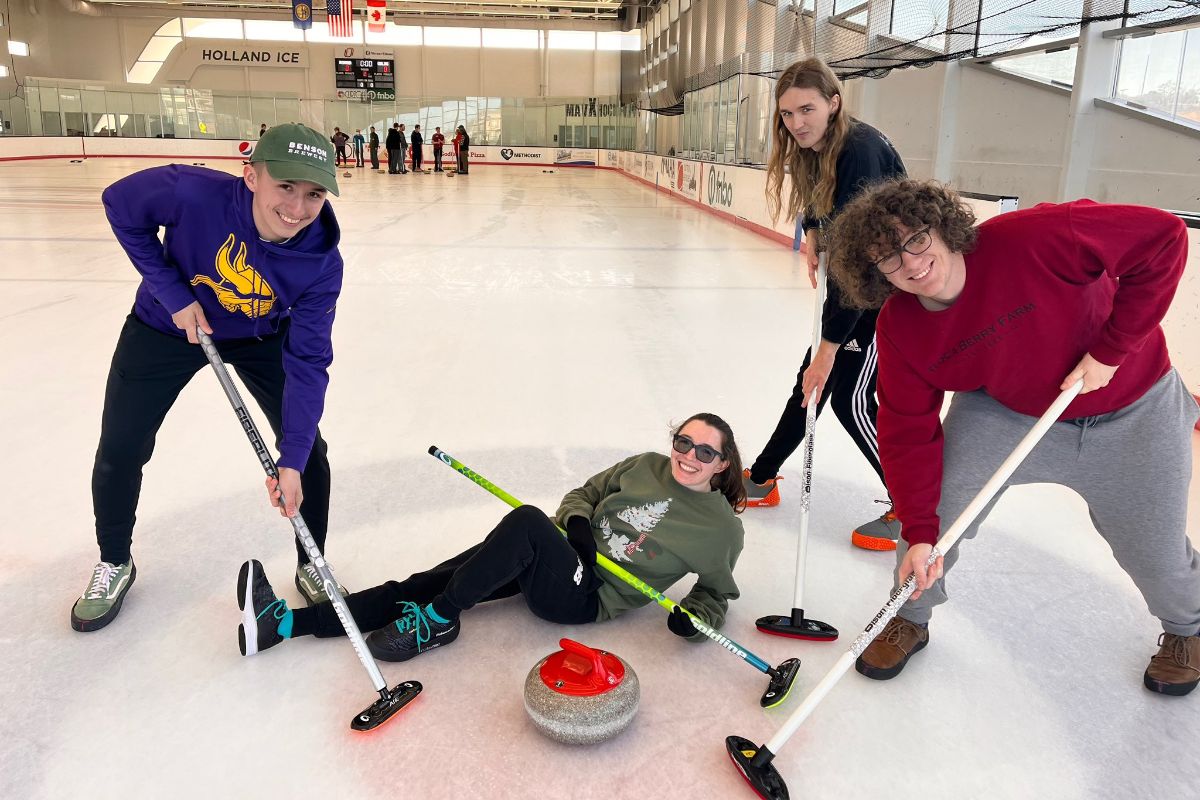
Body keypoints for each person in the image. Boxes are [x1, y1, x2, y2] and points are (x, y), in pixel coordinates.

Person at [826, 178, 1200, 696]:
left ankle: (1188, 630)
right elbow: (906, 430)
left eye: (915, 239)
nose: (911, 264)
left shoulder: (1035, 238)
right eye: (888, 260)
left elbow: (1162, 237)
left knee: (1154, 551)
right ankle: (909, 614)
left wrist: (1113, 349)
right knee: (937, 517)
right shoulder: (900, 327)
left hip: (1134, 408)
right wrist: (917, 528)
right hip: (1008, 412)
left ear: (942, 225)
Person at [72, 123, 347, 633]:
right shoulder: (190, 192)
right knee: (121, 448)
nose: (298, 208)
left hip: (261, 337)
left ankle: (313, 561)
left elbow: (309, 362)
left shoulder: (321, 263)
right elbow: (120, 204)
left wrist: (290, 458)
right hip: (165, 328)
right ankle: (115, 560)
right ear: (250, 176)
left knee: (309, 453)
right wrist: (173, 294)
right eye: (285, 187)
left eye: (313, 194)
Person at [236, 413, 748, 663]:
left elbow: (716, 592)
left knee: (525, 520)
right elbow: (584, 494)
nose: (689, 456)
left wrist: (697, 619)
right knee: (427, 582)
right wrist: (575, 525)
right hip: (555, 553)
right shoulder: (646, 465)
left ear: (723, 465)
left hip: (585, 594)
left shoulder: (721, 529)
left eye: (705, 453)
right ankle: (284, 627)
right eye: (684, 442)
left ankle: (439, 622)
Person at [742, 57, 907, 552]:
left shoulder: (860, 151)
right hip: (859, 285)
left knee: (849, 400)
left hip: (888, 293)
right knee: (810, 386)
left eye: (806, 110)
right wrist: (814, 232)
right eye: (787, 114)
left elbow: (862, 265)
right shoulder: (822, 146)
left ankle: (914, 507)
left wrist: (830, 346)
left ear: (834, 103)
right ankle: (764, 476)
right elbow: (821, 202)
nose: (796, 124)